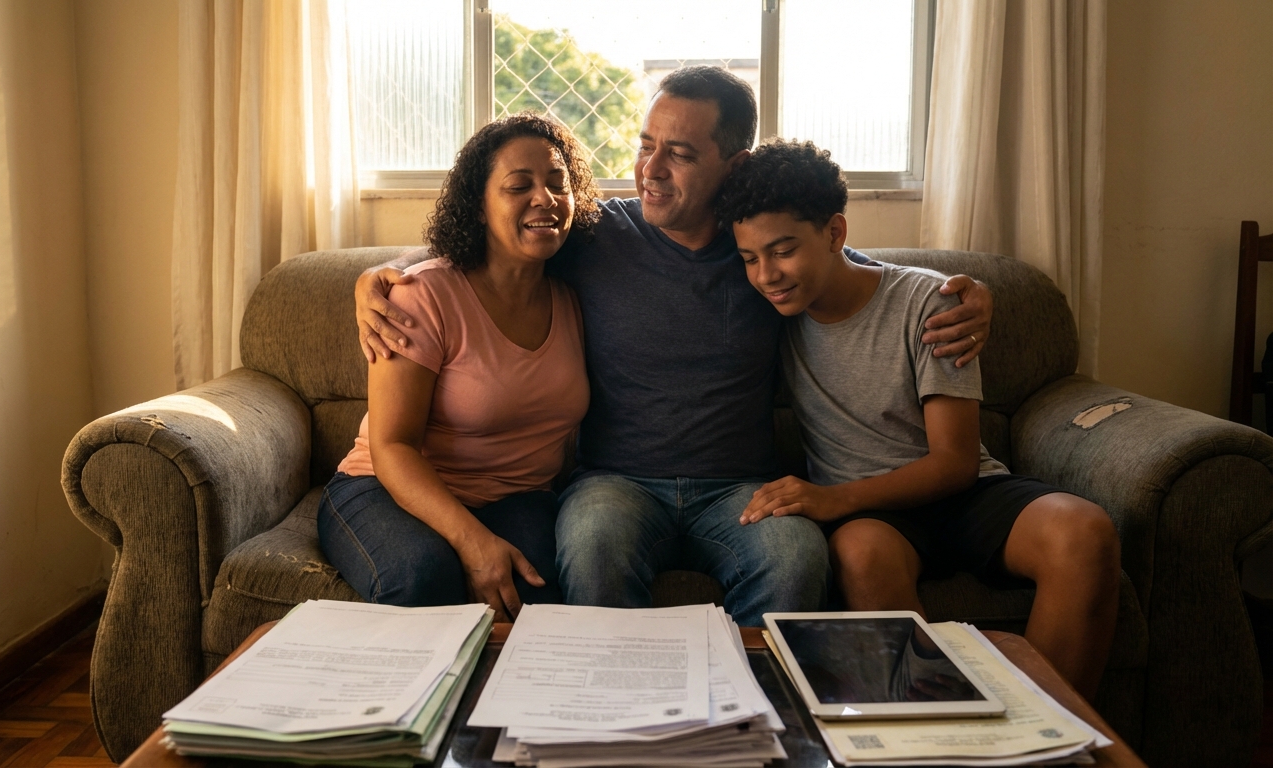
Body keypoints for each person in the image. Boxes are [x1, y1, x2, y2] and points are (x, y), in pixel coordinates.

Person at [354, 67, 994, 627]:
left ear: (733, 166)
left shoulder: (764, 256)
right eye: (645, 145)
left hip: (740, 488)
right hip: (616, 482)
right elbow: (494, 242)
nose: (649, 170)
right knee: (594, 549)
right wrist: (382, 275)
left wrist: (962, 296)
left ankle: (752, 729)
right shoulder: (600, 234)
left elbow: (851, 271)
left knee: (796, 558)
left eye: (679, 154)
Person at [721, 138, 1120, 699]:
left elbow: (955, 464)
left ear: (835, 233)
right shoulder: (767, 314)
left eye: (783, 250)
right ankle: (935, 725)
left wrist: (831, 499)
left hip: (965, 493)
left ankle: (1042, 737)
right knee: (861, 555)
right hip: (879, 521)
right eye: (749, 258)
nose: (766, 274)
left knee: (1084, 531)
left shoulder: (927, 303)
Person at [316, 113, 600, 621]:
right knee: (424, 577)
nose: (545, 198)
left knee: (537, 592)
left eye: (559, 183)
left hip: (518, 497)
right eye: (519, 186)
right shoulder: (423, 295)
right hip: (385, 488)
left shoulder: (574, 294)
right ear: (478, 205)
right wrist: (473, 542)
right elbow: (391, 446)